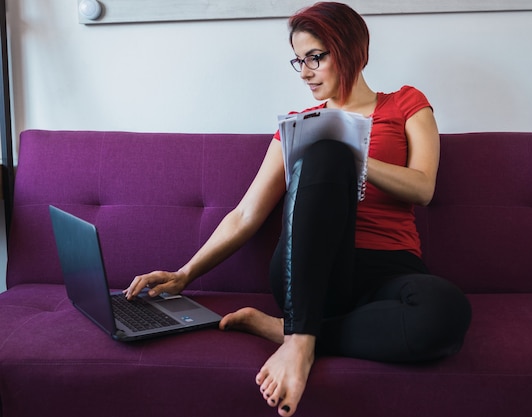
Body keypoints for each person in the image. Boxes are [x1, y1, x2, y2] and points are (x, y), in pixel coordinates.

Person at [124, 2, 472, 416]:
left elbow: (423, 187)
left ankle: (285, 331)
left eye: (315, 57)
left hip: (392, 272)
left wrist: (354, 155)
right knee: (323, 147)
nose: (305, 72)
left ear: (352, 51)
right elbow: (246, 214)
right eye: (299, 60)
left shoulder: (405, 103)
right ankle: (302, 340)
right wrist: (185, 273)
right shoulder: (299, 124)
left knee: (447, 314)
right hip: (311, 274)